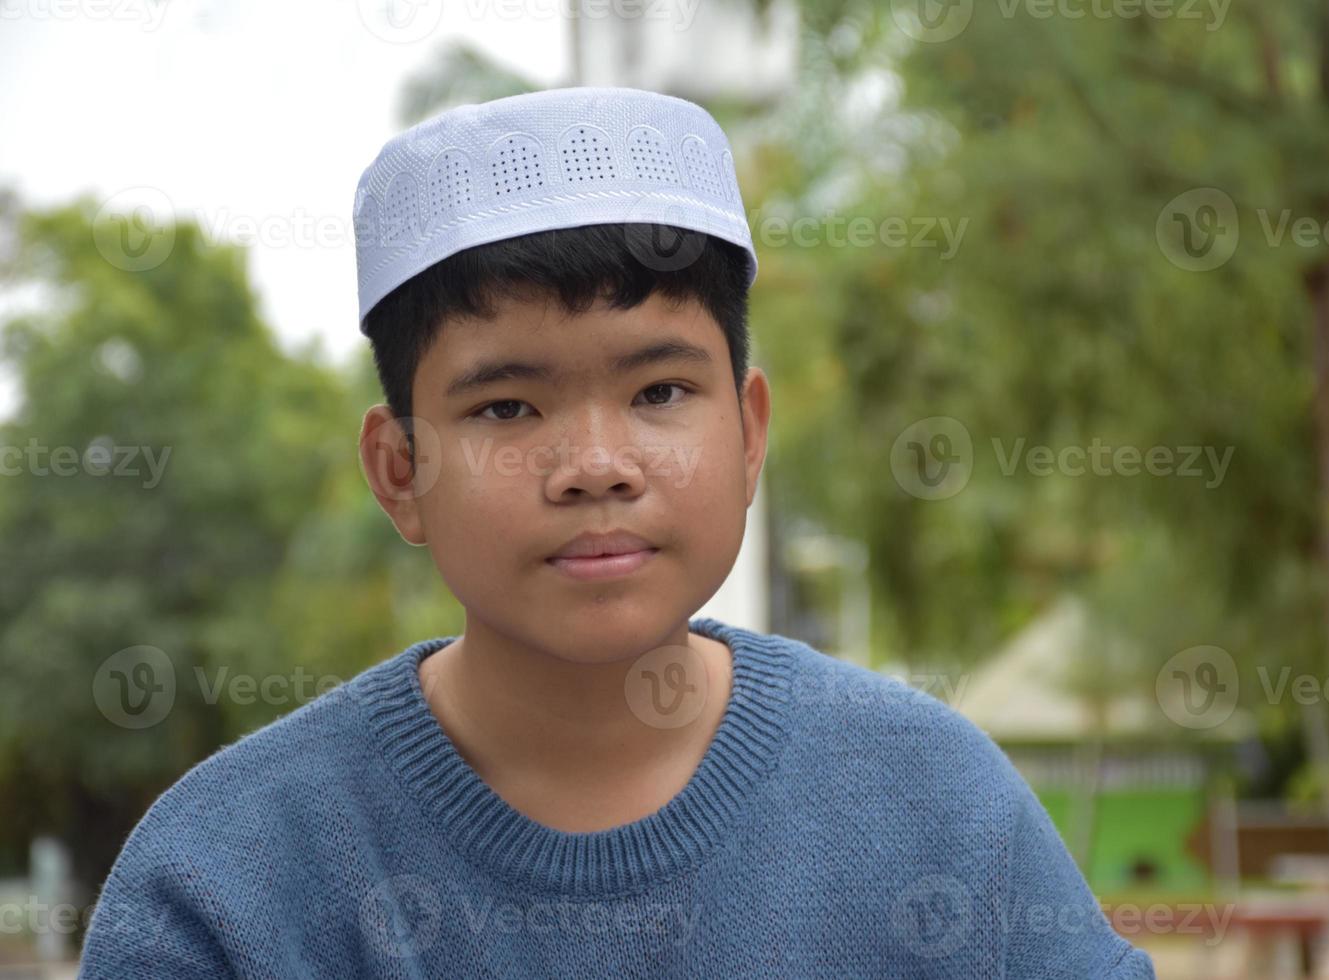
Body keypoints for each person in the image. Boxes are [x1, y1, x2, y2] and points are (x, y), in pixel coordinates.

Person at [78, 86, 1157, 978]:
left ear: (748, 430)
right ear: (399, 469)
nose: (597, 463)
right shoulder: (229, 885)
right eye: (507, 407)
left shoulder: (932, 804)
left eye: (659, 390)